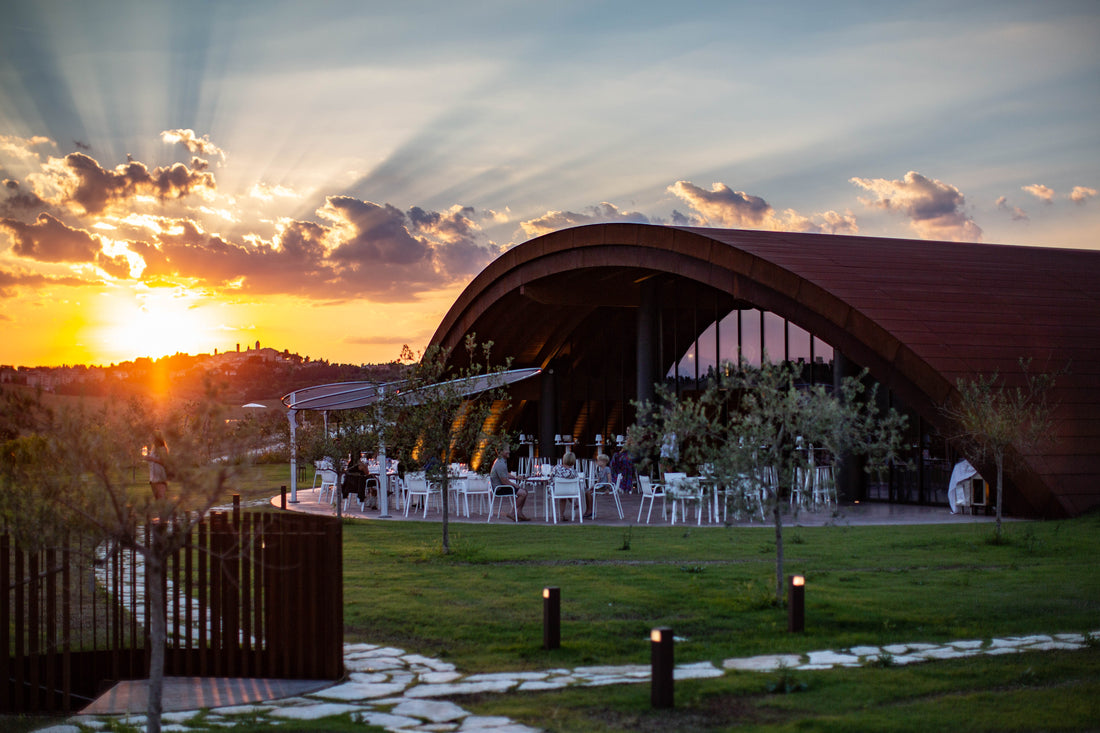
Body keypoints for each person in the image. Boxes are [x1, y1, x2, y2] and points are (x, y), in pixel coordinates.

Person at [490, 445, 529, 521]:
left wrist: (516, 477)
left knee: (525, 491)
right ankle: (512, 513)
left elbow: (505, 474)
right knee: (523, 493)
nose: (509, 452)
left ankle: (519, 513)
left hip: (502, 486)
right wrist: (515, 485)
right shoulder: (500, 464)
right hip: (500, 489)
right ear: (501, 452)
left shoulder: (501, 461)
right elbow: (504, 481)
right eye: (506, 450)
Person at [551, 451, 580, 521]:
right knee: (567, 491)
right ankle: (574, 503)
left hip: (557, 490)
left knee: (563, 494)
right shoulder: (574, 472)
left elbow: (551, 477)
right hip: (571, 491)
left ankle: (561, 515)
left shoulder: (556, 468)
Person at [587, 452, 613, 518]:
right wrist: (595, 485)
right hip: (600, 485)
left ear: (604, 462)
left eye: (598, 461)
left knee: (589, 493)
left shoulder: (607, 469)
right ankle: (589, 509)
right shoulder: (600, 470)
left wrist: (608, 488)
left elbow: (609, 479)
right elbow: (598, 480)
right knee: (588, 492)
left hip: (604, 486)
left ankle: (590, 510)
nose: (597, 462)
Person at [144, 430, 169, 500]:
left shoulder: (162, 449)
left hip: (160, 477)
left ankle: (166, 510)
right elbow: (152, 461)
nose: (150, 438)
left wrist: (152, 459)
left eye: (151, 437)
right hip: (153, 477)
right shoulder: (153, 449)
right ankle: (160, 510)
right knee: (157, 498)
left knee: (161, 498)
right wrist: (147, 459)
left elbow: (164, 462)